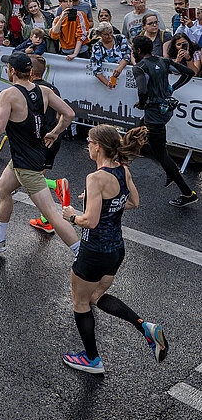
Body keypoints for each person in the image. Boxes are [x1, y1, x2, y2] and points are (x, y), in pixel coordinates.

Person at [59, 124, 168, 374]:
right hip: (116, 250)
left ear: (98, 147)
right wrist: (97, 202)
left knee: (80, 302)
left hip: (94, 250)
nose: (87, 145)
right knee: (96, 297)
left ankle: (92, 359)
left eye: (89, 142)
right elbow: (133, 202)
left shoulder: (95, 178)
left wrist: (72, 216)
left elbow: (91, 221)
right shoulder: (123, 171)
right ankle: (145, 327)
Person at [0, 51, 79, 253]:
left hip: (27, 164)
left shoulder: (8, 94)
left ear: (12, 71)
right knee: (3, 188)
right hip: (28, 155)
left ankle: (80, 253)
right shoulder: (44, 91)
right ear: (30, 71)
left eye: (8, 67)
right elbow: (69, 114)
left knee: (52, 214)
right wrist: (55, 133)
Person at [131, 34, 198, 207]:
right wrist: (172, 88)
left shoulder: (139, 67)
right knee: (137, 138)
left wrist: (142, 103)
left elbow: (143, 89)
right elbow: (189, 73)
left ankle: (187, 193)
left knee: (158, 152)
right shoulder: (163, 61)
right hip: (163, 112)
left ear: (138, 51)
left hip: (154, 114)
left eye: (133, 49)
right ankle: (170, 169)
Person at [26, 55, 71, 234]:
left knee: (30, 180)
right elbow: (63, 114)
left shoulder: (34, 90)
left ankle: (57, 185)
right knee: (37, 179)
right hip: (54, 137)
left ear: (30, 72)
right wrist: (56, 132)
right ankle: (45, 220)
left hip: (40, 139)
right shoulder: (53, 88)